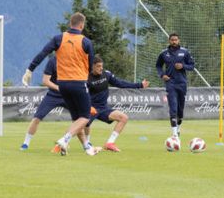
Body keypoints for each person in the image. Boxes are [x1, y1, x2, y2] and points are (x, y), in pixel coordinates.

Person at [21, 12, 96, 156]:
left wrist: (29, 70)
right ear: (82, 25)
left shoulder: (58, 38)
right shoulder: (86, 41)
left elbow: (43, 53)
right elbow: (91, 65)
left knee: (76, 119)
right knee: (85, 117)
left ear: (70, 24)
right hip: (78, 83)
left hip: (63, 85)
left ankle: (87, 147)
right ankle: (65, 139)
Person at [86, 56, 148, 152]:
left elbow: (120, 83)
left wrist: (139, 85)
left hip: (103, 108)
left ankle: (109, 143)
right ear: (93, 66)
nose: (101, 68)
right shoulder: (86, 77)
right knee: (83, 124)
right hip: (91, 108)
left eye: (101, 66)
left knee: (123, 118)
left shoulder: (106, 74)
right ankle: (84, 143)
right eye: (98, 66)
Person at [155, 33, 195, 140]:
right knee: (173, 108)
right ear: (169, 41)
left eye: (176, 40)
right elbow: (158, 65)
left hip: (182, 83)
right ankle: (174, 135)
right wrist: (162, 75)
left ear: (179, 40)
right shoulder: (164, 53)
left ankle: (178, 128)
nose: (174, 41)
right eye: (172, 40)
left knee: (180, 110)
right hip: (170, 83)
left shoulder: (184, 52)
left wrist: (183, 66)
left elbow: (192, 66)